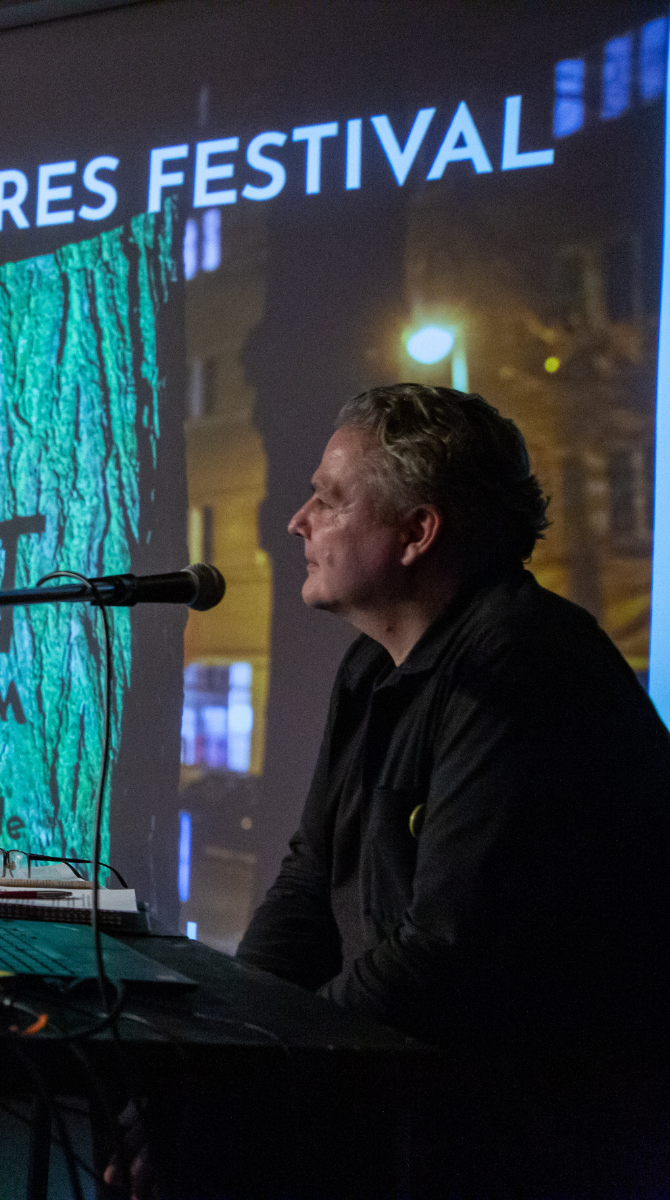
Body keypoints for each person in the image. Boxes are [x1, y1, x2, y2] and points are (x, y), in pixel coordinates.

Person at [225, 384, 670, 1196]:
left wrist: (254, 1080)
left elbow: (444, 950)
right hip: (419, 1111)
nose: (298, 522)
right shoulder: (370, 666)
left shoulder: (524, 662)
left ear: (417, 533)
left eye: (327, 499)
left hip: (534, 1144)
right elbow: (306, 885)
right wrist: (217, 1048)